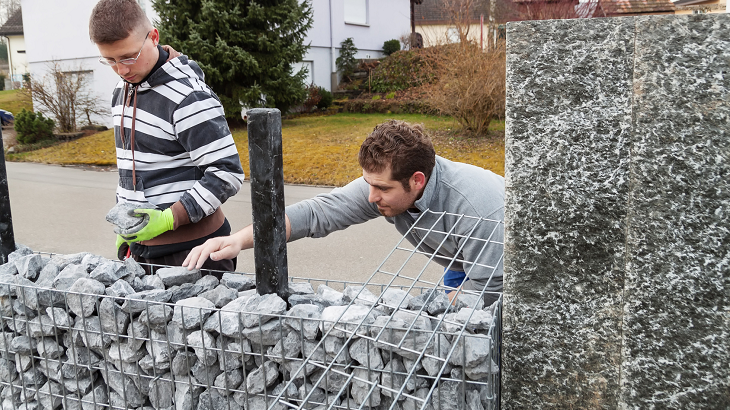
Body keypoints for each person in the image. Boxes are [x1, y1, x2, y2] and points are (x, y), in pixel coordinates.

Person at [184, 120, 504, 304]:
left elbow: (484, 295)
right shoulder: (388, 184)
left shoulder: (479, 210)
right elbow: (318, 213)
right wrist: (239, 239)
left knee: (474, 337)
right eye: (368, 183)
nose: (370, 196)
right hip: (462, 259)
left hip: (503, 265)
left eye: (382, 188)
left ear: (417, 180)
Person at [89, 0, 244, 274]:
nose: (122, 69)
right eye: (110, 60)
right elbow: (132, 165)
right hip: (139, 250)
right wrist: (126, 230)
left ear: (154, 37)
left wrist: (169, 219)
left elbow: (227, 173)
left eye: (128, 56)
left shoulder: (189, 97)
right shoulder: (122, 90)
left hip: (193, 252)